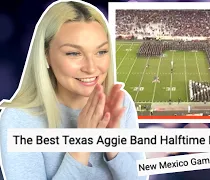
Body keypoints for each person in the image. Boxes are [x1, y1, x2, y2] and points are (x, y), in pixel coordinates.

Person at [0, 1, 146, 180]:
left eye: (101, 52)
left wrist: (112, 145)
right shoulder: (18, 119)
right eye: (74, 53)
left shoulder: (120, 102)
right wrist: (81, 144)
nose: (91, 68)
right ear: (46, 55)